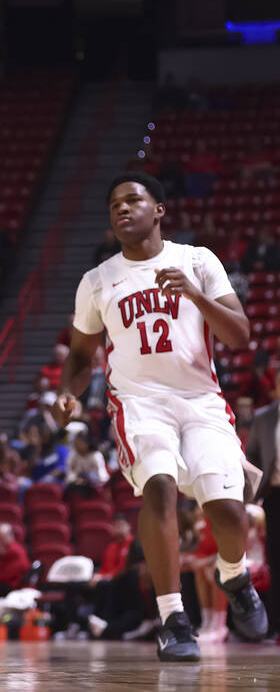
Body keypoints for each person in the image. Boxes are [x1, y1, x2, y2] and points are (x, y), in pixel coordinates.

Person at [52, 171, 267, 662]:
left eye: (133, 200)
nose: (122, 209)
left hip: (200, 402)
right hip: (139, 403)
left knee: (229, 513)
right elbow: (82, 358)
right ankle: (174, 618)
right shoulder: (97, 282)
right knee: (160, 486)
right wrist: (67, 392)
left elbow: (239, 337)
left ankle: (233, 575)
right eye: (114, 205)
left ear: (159, 210)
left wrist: (194, 294)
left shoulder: (197, 260)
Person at [245, 393, 280, 632]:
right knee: (276, 559)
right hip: (274, 494)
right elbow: (252, 455)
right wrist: (255, 490)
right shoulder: (264, 417)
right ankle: (276, 624)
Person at [65, 431, 110, 499]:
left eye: (78, 442)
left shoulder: (96, 455)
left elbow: (102, 476)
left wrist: (88, 480)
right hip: (77, 488)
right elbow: (69, 475)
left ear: (86, 443)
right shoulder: (73, 456)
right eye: (75, 443)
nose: (75, 445)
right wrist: (76, 479)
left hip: (95, 487)